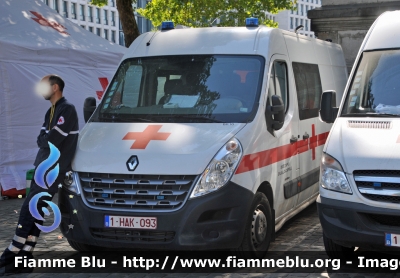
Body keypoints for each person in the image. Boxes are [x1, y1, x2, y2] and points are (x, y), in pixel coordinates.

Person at [0, 75, 79, 269]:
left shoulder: (67, 109)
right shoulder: (51, 111)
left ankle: (12, 253)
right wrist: (45, 138)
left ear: (54, 88)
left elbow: (50, 141)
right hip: (43, 167)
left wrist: (45, 138)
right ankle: (25, 257)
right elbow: (41, 138)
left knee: (29, 208)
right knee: (35, 210)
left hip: (52, 170)